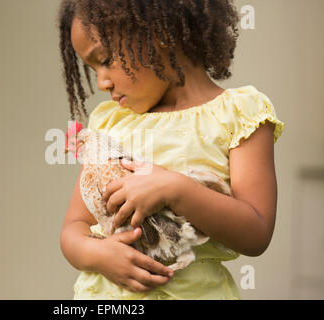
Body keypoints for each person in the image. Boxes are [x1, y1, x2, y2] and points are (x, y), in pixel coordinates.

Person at [58, 0, 285, 299]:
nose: (102, 82)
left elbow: (256, 232)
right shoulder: (110, 122)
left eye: (105, 59)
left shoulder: (240, 114)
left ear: (157, 33)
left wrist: (175, 189)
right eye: (92, 68)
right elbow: (74, 226)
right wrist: (96, 253)